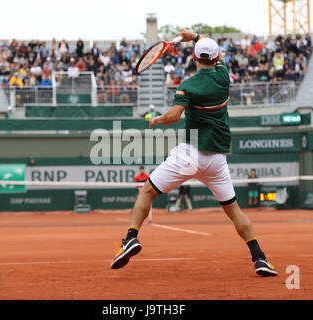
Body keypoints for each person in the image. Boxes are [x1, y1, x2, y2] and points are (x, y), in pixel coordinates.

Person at [111, 30, 278, 277]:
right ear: (216, 57)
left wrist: (157, 120)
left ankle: (131, 238)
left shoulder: (188, 85)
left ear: (194, 57)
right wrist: (197, 35)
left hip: (190, 155)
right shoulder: (223, 77)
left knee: (147, 191)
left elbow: (173, 116)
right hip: (217, 160)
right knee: (234, 211)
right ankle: (259, 258)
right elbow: (212, 53)